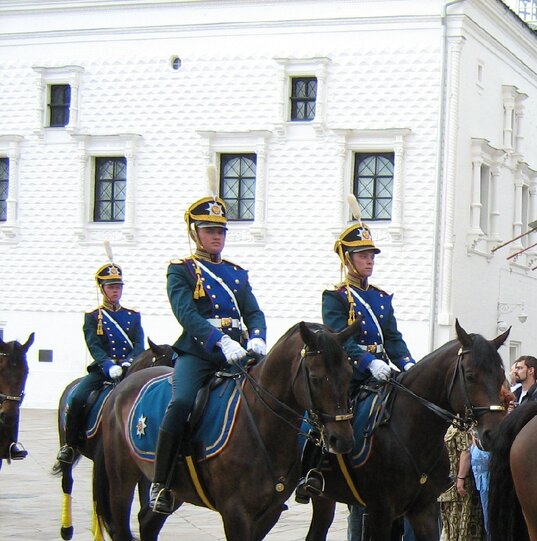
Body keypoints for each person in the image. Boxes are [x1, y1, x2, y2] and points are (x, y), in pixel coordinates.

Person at [149, 196, 266, 514]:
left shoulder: (236, 274)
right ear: (194, 232)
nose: (217, 236)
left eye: (221, 231)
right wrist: (219, 341)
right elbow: (185, 313)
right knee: (183, 402)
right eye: (209, 230)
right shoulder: (181, 270)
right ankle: (162, 482)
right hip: (199, 353)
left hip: (238, 352)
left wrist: (256, 338)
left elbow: (253, 312)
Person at [295, 221, 415, 502]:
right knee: (327, 414)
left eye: (371, 256)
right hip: (350, 370)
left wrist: (408, 364)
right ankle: (314, 472)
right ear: (347, 259)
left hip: (383, 369)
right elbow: (340, 338)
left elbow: (393, 337)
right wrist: (368, 362)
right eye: (363, 256)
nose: (369, 261)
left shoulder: (381, 298)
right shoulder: (335, 297)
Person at [57, 255, 145, 466]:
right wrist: (108, 365)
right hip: (102, 371)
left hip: (127, 369)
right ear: (102, 288)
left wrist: (129, 361)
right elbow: (94, 345)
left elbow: (139, 343)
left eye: (118, 286)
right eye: (111, 286)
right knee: (78, 398)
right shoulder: (93, 317)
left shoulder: (133, 316)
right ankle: (70, 445)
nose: (116, 291)